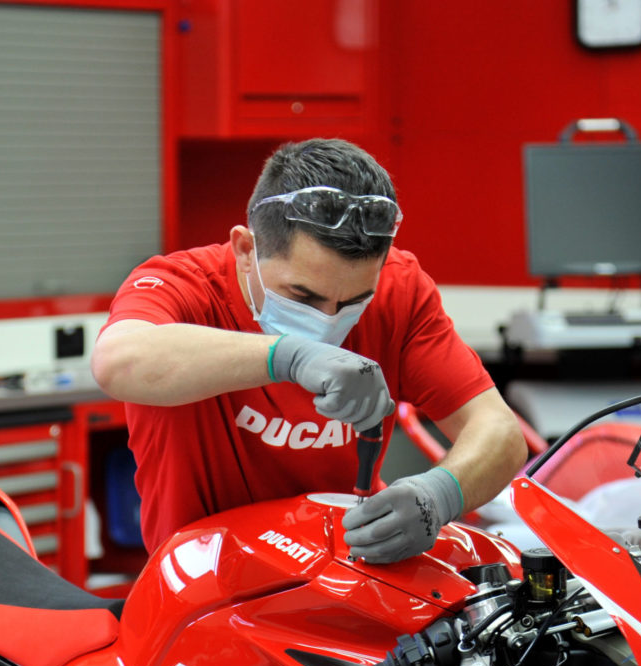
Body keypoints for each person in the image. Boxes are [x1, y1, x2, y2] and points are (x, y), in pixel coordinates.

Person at [91, 138, 527, 563]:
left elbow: (500, 434)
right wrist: (289, 356)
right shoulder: (183, 287)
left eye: (354, 300)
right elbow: (118, 360)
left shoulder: (398, 289)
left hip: (346, 569)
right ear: (246, 250)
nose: (329, 319)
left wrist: (439, 494)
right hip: (205, 582)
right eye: (302, 296)